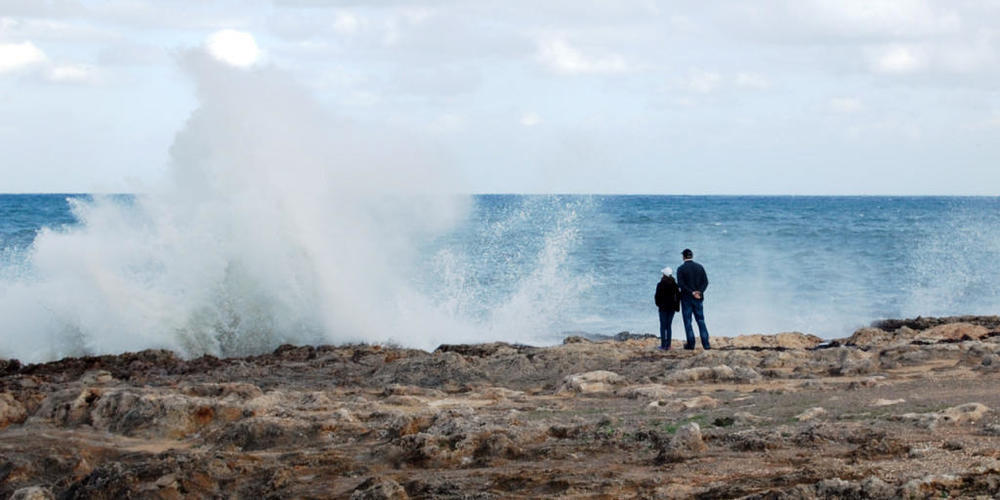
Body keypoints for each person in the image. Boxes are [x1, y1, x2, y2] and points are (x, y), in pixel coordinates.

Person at [676, 248, 710, 350]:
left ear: (683, 257)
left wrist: (692, 292)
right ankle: (706, 344)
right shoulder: (700, 267)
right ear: (692, 256)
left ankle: (691, 344)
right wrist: (699, 291)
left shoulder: (681, 269)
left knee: (688, 321)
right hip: (698, 298)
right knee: (701, 320)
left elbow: (681, 284)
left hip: (687, 298)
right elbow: (706, 282)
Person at [654, 267, 680, 350]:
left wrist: (658, 304)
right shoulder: (675, 284)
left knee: (663, 326)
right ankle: (668, 345)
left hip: (663, 307)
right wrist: (676, 307)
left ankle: (663, 345)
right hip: (671, 308)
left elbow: (656, 297)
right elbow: (678, 296)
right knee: (669, 326)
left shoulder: (660, 284)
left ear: (664, 275)